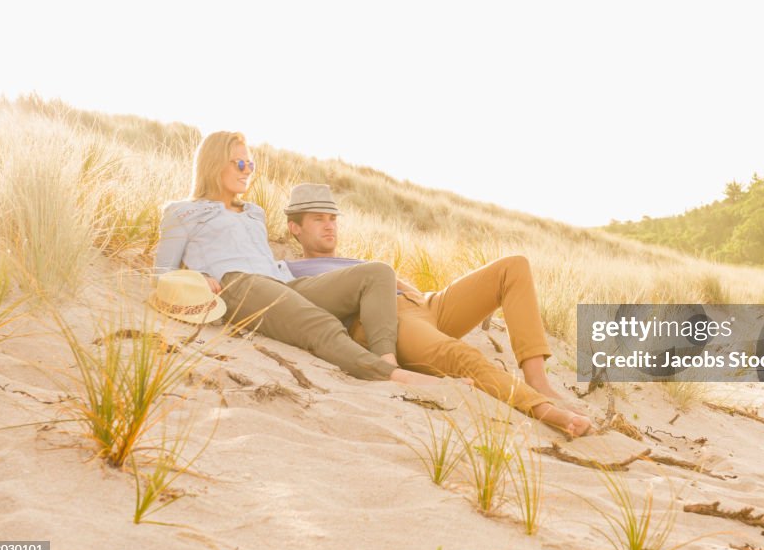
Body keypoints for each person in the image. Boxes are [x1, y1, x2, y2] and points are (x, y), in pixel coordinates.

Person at [284, 183, 593, 437]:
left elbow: (393, 279)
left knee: (513, 267)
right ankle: (543, 409)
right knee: (463, 356)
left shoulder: (354, 262)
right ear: (294, 227)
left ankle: (538, 381)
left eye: (332, 218)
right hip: (390, 323)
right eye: (318, 219)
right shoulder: (293, 273)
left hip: (427, 304)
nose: (329, 226)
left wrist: (447, 300)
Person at [153, 131, 446, 387]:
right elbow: (161, 273)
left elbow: (262, 260)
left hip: (282, 281)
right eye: (240, 164)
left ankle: (387, 359)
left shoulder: (254, 212)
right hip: (238, 286)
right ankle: (391, 376)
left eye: (250, 164)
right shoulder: (182, 212)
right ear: (214, 164)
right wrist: (200, 278)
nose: (247, 171)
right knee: (318, 322)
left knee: (377, 273)